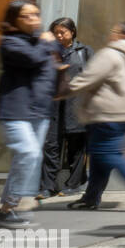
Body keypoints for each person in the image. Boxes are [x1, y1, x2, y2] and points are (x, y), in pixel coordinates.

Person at [63, 22, 125, 210]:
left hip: (107, 112)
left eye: (114, 31)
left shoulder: (110, 54)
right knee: (100, 157)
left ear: (123, 36)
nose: (111, 34)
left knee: (106, 154)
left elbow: (88, 78)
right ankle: (91, 198)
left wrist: (64, 89)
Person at [0, 0, 58, 229]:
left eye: (36, 15)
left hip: (39, 111)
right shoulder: (9, 42)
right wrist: (45, 42)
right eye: (27, 16)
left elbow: (50, 70)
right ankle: (7, 209)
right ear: (14, 20)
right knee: (29, 154)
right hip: (15, 110)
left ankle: (8, 208)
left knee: (27, 159)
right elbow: (33, 59)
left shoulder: (38, 41)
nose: (34, 20)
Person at [39, 17, 90, 200]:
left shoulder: (84, 51)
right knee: (51, 145)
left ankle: (73, 184)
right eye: (55, 32)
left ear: (72, 32)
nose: (59, 36)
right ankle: (47, 186)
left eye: (63, 32)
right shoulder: (47, 51)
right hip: (52, 105)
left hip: (75, 105)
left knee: (76, 147)